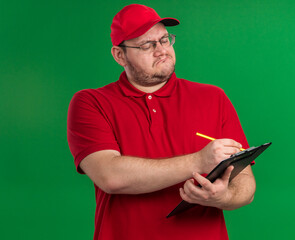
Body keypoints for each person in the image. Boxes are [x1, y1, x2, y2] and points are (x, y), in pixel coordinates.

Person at [67, 4, 256, 240]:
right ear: (119, 55)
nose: (161, 50)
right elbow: (110, 176)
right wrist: (199, 160)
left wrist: (223, 197)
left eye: (165, 40)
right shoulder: (91, 102)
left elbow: (245, 182)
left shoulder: (213, 98)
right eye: (147, 45)